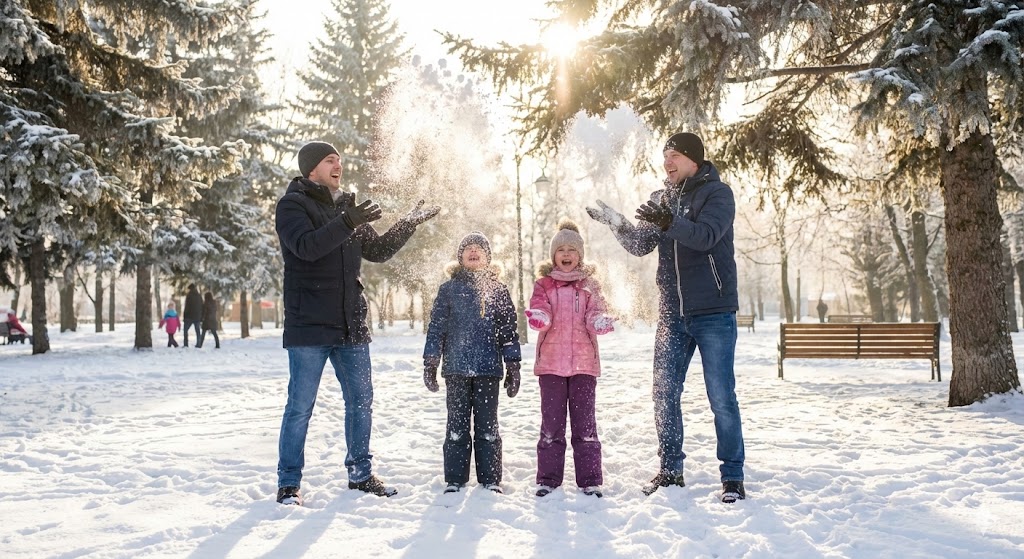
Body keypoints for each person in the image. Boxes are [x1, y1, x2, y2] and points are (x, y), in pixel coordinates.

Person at [274, 141, 440, 505]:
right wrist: (348, 221)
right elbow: (306, 247)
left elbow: (377, 251)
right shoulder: (292, 205)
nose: (339, 165)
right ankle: (289, 483)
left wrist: (407, 224)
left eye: (340, 160)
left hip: (351, 324)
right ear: (312, 168)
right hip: (309, 326)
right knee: (300, 405)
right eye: (330, 160)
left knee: (361, 400)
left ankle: (360, 473)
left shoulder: (348, 208)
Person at [586, 132, 746, 503]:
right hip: (673, 314)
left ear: (693, 159)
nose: (667, 162)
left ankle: (733, 477)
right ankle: (671, 469)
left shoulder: (717, 194)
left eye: (673, 155)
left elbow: (705, 236)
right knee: (663, 392)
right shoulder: (662, 198)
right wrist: (616, 222)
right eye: (664, 156)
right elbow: (641, 244)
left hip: (713, 311)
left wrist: (668, 221)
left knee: (721, 396)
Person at [423, 232, 521, 494]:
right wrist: (431, 361)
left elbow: (508, 330)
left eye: (480, 248)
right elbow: (436, 329)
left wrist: (513, 365)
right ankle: (455, 479)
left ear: (488, 258)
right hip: (456, 369)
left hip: (488, 370)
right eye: (469, 248)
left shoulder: (498, 290)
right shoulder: (448, 289)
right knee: (456, 426)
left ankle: (490, 479)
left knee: (488, 427)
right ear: (460, 256)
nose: (474, 251)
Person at [524, 219, 615, 498]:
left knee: (585, 425)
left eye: (571, 250)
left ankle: (590, 480)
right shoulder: (543, 285)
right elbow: (540, 309)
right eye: (560, 249)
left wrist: (600, 320)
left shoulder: (590, 286)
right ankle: (548, 479)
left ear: (580, 255)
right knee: (551, 425)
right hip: (551, 365)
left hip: (584, 366)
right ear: (553, 255)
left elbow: (595, 312)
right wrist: (539, 317)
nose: (566, 254)